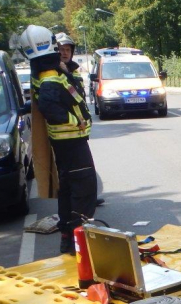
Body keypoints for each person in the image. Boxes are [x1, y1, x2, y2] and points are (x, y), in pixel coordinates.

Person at [20, 25, 97, 254]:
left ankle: (70, 240)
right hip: (71, 144)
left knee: (69, 191)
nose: (62, 51)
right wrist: (76, 121)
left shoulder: (47, 72)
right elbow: (50, 107)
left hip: (67, 146)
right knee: (83, 192)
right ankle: (79, 244)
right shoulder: (50, 77)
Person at [56, 32, 106, 207]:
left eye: (67, 49)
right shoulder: (55, 73)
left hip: (77, 133)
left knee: (83, 174)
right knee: (76, 176)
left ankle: (87, 202)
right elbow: (54, 107)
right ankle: (76, 214)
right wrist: (77, 121)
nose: (64, 53)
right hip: (66, 135)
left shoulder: (72, 70)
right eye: (61, 49)